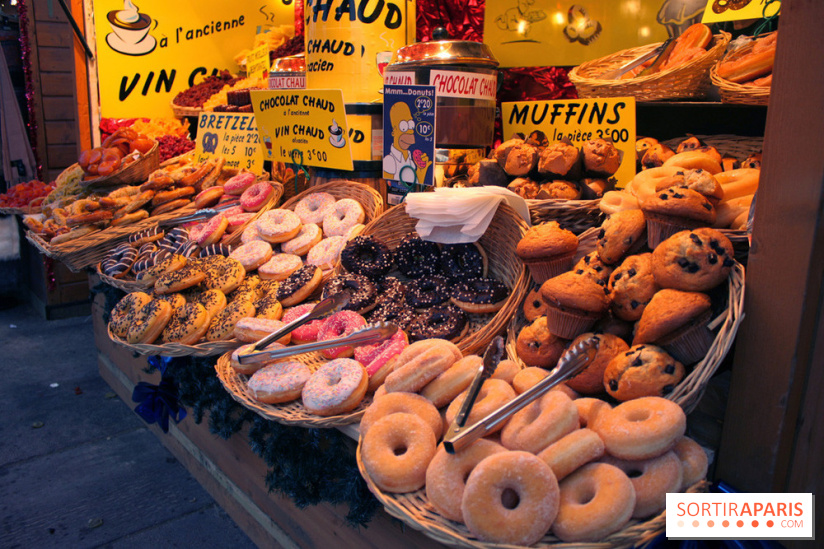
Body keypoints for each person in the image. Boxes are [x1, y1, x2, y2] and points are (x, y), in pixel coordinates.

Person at [383, 101, 431, 185]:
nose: (409, 131)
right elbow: (389, 187)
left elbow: (415, 188)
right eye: (404, 126)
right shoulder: (389, 161)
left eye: (411, 125)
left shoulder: (411, 161)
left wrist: (421, 172)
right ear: (394, 130)